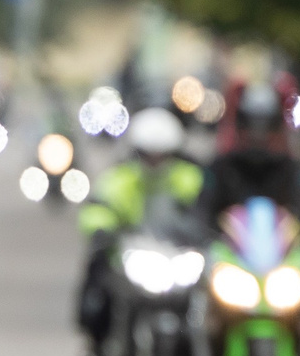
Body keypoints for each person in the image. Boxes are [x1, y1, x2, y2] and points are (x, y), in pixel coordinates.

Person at [77, 106, 205, 340]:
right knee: (100, 280)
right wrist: (101, 231)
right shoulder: (120, 179)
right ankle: (98, 334)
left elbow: (207, 209)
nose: (155, 162)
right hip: (132, 250)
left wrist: (208, 232)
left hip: (177, 252)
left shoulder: (191, 178)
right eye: (148, 154)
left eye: (162, 155)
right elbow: (99, 208)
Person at [192, 78, 300, 236]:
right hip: (227, 248)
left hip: (283, 249)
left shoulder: (292, 170)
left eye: (266, 126)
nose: (258, 135)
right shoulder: (221, 168)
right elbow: (201, 212)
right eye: (251, 125)